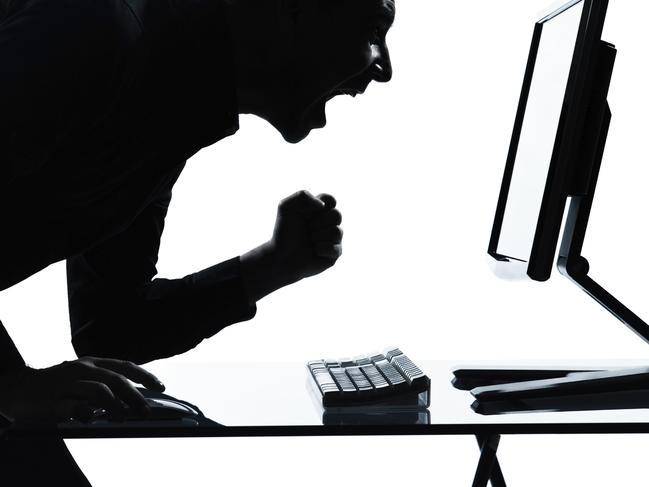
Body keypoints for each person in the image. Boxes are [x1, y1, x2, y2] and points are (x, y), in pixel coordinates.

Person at [0, 0, 395, 425]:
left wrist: (273, 265)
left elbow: (111, 326)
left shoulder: (170, 104)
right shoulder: (97, 30)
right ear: (293, 12)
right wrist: (9, 385)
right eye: (373, 31)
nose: (384, 68)